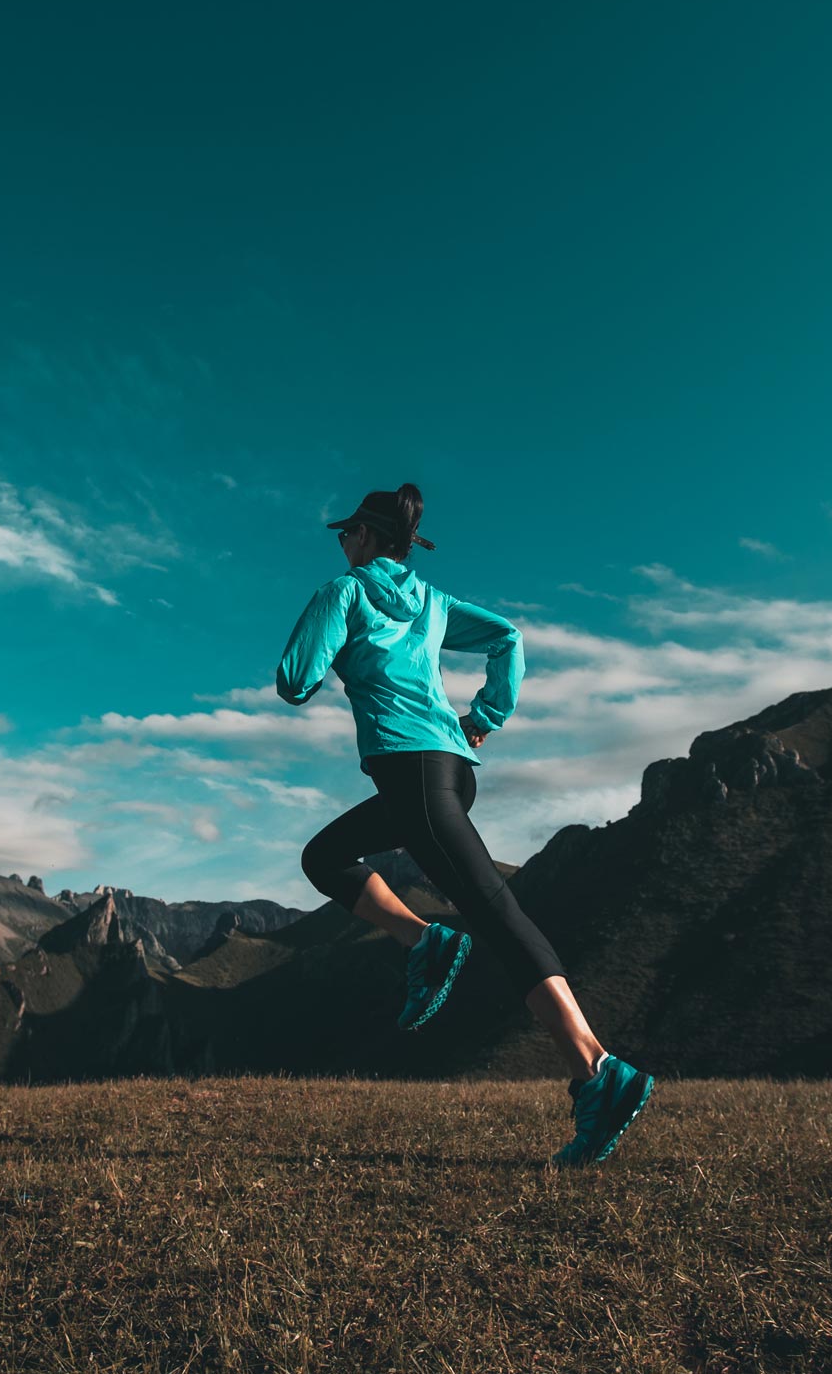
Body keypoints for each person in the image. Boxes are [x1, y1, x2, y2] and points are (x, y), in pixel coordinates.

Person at [276, 483, 654, 1167]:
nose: (341, 543)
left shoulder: (345, 592)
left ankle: (597, 1068)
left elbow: (294, 680)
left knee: (495, 910)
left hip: (412, 774)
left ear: (365, 535)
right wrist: (484, 717)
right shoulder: (432, 602)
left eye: (346, 533)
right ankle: (424, 941)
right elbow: (507, 637)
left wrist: (332, 646)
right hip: (449, 769)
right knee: (325, 856)